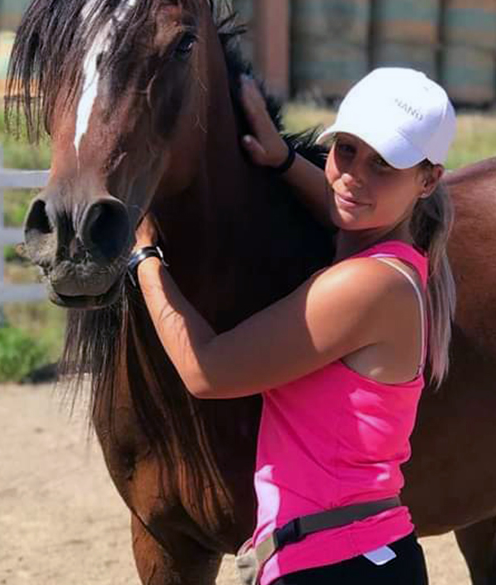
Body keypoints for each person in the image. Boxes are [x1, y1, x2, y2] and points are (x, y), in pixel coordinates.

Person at [129, 68, 457, 585]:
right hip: (347, 557)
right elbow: (345, 208)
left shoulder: (365, 286)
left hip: (336, 566)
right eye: (345, 150)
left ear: (428, 180)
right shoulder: (401, 261)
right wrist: (282, 160)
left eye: (384, 164)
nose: (354, 176)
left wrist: (143, 254)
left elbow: (206, 370)